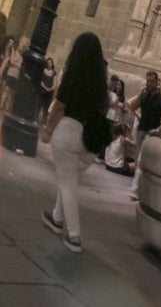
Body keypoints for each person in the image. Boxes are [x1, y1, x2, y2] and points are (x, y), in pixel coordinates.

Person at [39, 32, 109, 253]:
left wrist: (48, 130)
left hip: (68, 133)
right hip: (89, 141)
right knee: (69, 179)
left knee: (67, 184)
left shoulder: (73, 75)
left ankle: (74, 236)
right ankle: (57, 218)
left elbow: (58, 107)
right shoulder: (101, 83)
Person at [128, 71, 161, 201]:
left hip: (150, 133)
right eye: (148, 80)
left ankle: (134, 191)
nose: (149, 83)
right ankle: (140, 189)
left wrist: (157, 130)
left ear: (156, 82)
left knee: (141, 161)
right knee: (137, 160)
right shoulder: (144, 96)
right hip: (140, 130)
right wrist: (140, 96)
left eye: (152, 81)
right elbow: (131, 106)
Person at [0, 36, 19, 113]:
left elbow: (10, 60)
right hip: (3, 68)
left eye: (12, 42)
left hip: (7, 71)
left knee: (5, 88)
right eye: (9, 42)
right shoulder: (2, 50)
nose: (10, 43)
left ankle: (3, 103)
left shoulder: (13, 52)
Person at [39, 57, 57, 123]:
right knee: (39, 104)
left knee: (46, 108)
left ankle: (44, 122)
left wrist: (50, 88)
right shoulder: (43, 70)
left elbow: (55, 83)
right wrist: (44, 86)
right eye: (48, 62)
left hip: (49, 93)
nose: (49, 64)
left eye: (50, 63)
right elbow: (40, 80)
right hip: (42, 90)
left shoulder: (54, 72)